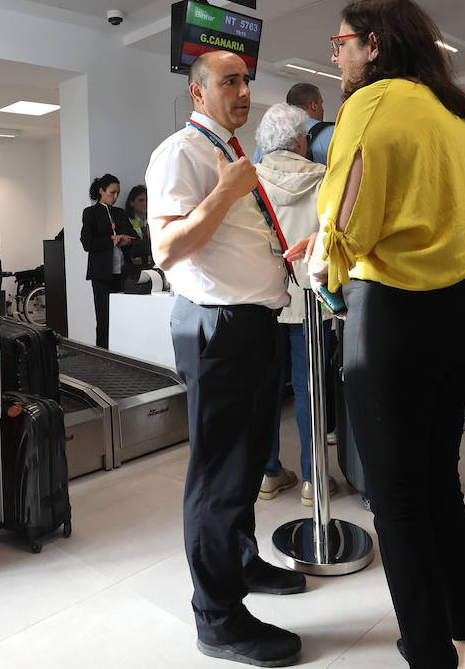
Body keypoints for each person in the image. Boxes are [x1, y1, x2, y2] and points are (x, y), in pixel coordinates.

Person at [294, 0, 465, 669]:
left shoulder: (372, 103)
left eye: (342, 41)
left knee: (396, 496)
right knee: (437, 478)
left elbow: (344, 214)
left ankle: (428, 655)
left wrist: (323, 265)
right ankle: (462, 638)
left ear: (375, 44)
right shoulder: (447, 114)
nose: (336, 54)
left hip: (402, 311)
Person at [146, 50, 305, 667]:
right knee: (218, 475)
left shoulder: (233, 152)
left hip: (254, 324)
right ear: (197, 93)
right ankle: (217, 618)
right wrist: (228, 190)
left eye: (245, 80)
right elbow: (167, 246)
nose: (243, 90)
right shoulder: (181, 154)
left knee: (243, 467)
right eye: (229, 81)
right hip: (220, 329)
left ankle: (241, 562)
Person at [252, 102, 334, 507]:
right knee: (309, 389)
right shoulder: (322, 178)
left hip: (266, 298)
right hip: (310, 298)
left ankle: (268, 474)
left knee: (265, 388)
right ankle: (312, 479)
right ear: (301, 139)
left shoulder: (250, 182)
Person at [79, 174, 136, 348]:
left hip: (123, 272)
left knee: (124, 318)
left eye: (118, 193)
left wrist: (127, 240)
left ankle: (124, 353)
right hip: (101, 273)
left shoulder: (120, 213)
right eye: (112, 193)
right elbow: (87, 243)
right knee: (103, 318)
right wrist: (111, 240)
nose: (116, 197)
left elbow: (131, 235)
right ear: (101, 191)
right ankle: (103, 355)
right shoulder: (90, 213)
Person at [285, 81, 335, 164]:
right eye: (321, 104)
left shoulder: (270, 138)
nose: (322, 109)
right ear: (314, 105)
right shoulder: (334, 134)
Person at [121, 184, 153, 280]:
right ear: (132, 202)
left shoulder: (153, 220)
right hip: (133, 270)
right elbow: (133, 246)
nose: (145, 203)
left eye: (147, 200)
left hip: (151, 267)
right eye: (141, 200)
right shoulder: (126, 221)